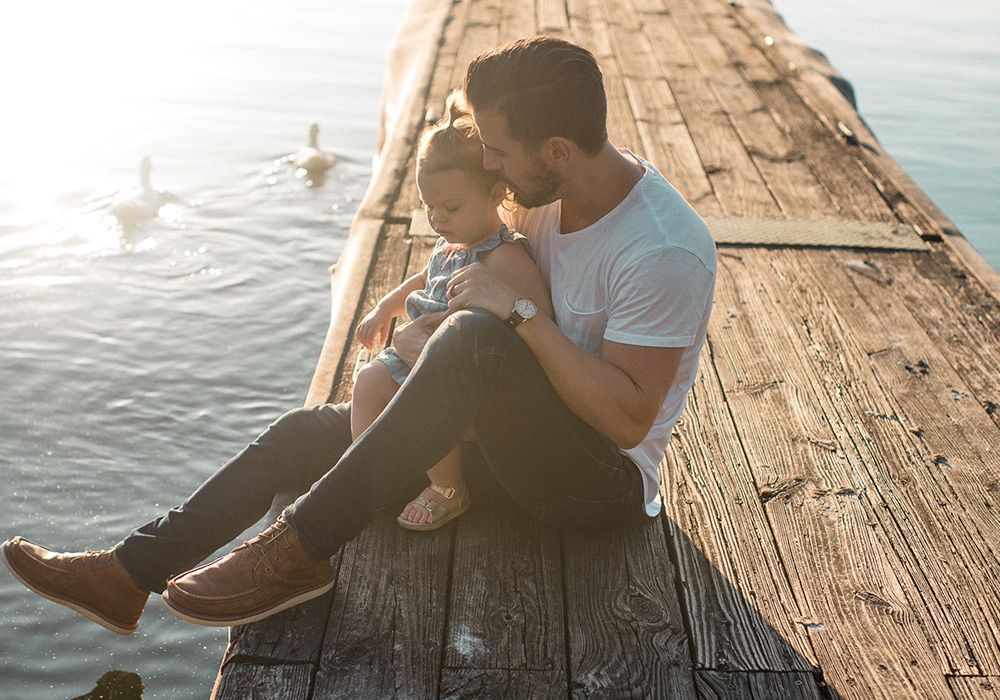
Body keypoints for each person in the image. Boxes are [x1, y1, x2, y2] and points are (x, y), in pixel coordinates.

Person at [1, 35, 715, 635]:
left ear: (557, 150)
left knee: (473, 338)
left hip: (592, 484)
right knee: (300, 434)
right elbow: (470, 273)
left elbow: (626, 422)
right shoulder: (539, 198)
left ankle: (299, 550)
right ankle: (128, 574)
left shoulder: (661, 247)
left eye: (497, 151)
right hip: (498, 441)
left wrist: (512, 317)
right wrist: (419, 324)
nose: (488, 165)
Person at [352, 90, 553, 530]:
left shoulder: (502, 256)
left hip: (461, 375)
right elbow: (424, 279)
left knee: (427, 404)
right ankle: (369, 475)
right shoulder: (451, 244)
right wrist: (386, 308)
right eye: (429, 209)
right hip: (419, 350)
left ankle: (449, 487)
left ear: (498, 192)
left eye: (451, 207)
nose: (437, 220)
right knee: (367, 381)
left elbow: (538, 319)